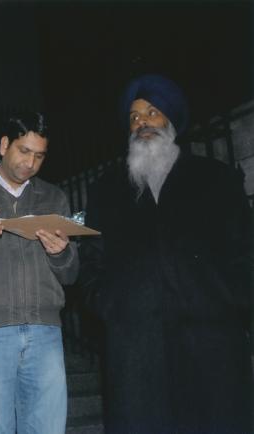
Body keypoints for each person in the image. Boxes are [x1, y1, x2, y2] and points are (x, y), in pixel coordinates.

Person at [81, 74, 252, 433]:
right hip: (135, 348)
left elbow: (244, 252)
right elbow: (92, 262)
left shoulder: (215, 179)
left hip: (211, 343)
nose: (142, 122)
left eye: (152, 112)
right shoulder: (107, 190)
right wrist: (110, 303)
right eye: (134, 116)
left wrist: (226, 299)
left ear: (171, 121)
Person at [0, 113, 78, 434]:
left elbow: (71, 274)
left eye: (39, 156)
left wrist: (62, 253)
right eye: (24, 151)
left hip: (44, 330)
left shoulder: (54, 197)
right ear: (3, 145)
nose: (30, 163)